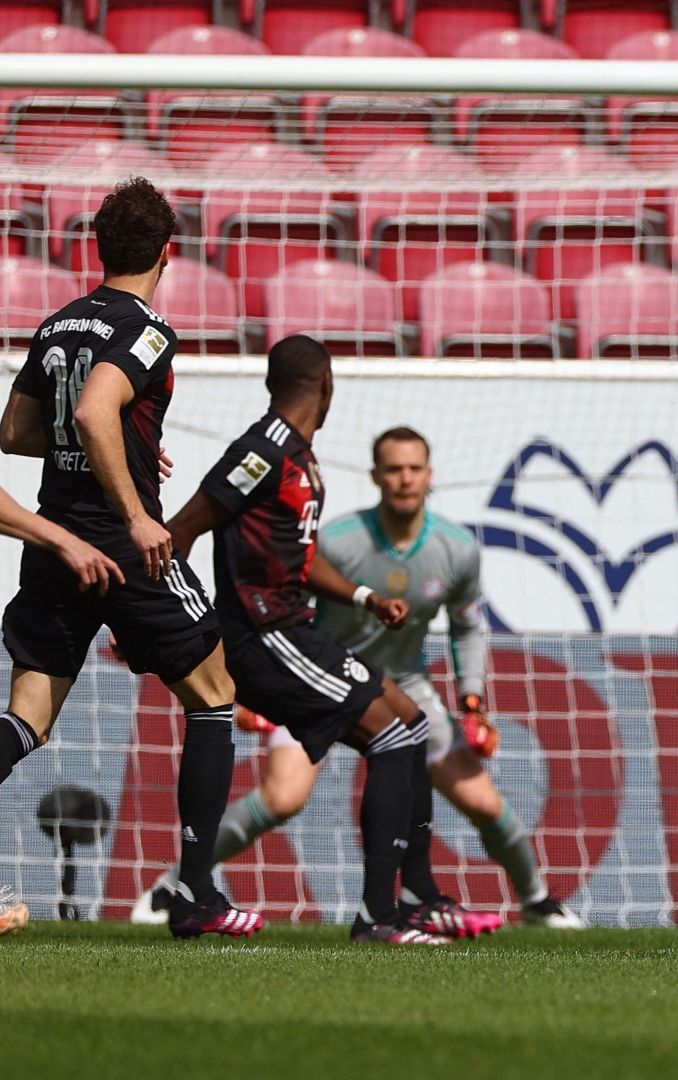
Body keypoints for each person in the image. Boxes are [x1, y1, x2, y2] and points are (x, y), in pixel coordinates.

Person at [136, 428, 584, 928]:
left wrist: (473, 701)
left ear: (430, 475)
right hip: (321, 676)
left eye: (414, 468)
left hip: (406, 685)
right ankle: (177, 885)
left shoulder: (457, 550)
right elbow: (282, 610)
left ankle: (537, 901)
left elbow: (466, 628)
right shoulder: (339, 541)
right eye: (394, 469)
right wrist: (267, 692)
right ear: (376, 476)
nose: (404, 479)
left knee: (482, 800)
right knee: (282, 797)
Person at [165, 335, 505, 944]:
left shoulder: (299, 456)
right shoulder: (263, 451)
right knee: (394, 735)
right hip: (265, 634)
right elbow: (183, 529)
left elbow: (298, 557)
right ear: (327, 386)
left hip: (291, 629)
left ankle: (417, 897)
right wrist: (169, 619)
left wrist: (363, 596)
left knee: (411, 724)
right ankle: (378, 915)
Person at [0, 178, 262, 939]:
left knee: (27, 719)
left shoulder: (57, 324)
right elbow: (92, 411)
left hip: (54, 539)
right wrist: (137, 510)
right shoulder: (147, 329)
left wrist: (130, 448)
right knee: (214, 694)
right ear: (167, 254)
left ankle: (196, 893)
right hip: (121, 545)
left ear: (99, 247)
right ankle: (196, 895)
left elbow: (17, 433)